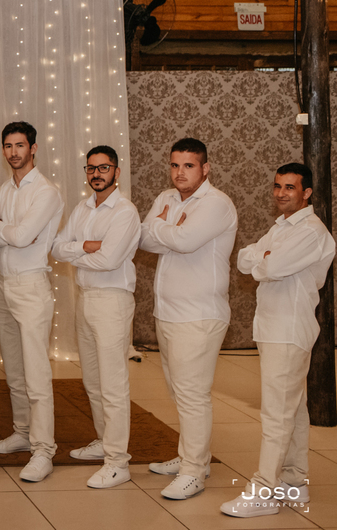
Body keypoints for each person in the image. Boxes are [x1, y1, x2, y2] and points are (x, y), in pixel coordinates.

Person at [220, 163, 334, 518]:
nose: (281, 193)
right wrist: (264, 258)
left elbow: (273, 268)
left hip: (289, 328)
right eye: (277, 186)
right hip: (273, 328)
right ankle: (294, 481)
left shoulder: (311, 231)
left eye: (290, 187)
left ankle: (264, 491)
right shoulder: (281, 227)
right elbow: (244, 259)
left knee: (276, 414)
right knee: (293, 409)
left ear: (307, 192)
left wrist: (265, 260)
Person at [140, 137, 238, 500]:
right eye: (174, 165)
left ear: (205, 168)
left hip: (199, 316)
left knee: (193, 395)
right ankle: (193, 457)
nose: (180, 173)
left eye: (189, 166)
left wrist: (164, 229)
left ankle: (194, 471)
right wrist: (171, 229)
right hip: (167, 312)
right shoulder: (166, 198)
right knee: (178, 391)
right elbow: (144, 239)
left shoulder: (217, 203)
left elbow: (183, 241)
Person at [53, 145, 141, 489]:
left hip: (112, 301)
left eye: (103, 168)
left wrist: (78, 252)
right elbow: (57, 247)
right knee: (92, 380)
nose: (96, 174)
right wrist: (88, 246)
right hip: (85, 298)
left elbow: (109, 260)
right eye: (91, 168)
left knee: (113, 383)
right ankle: (105, 441)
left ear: (116, 172)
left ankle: (118, 462)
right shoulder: (82, 207)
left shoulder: (125, 211)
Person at [0, 120, 64, 483]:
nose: (13, 152)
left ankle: (44, 449)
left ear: (33, 148)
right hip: (3, 283)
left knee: (36, 372)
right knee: (14, 368)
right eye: (8, 146)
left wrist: (2, 227)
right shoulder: (4, 189)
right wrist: (6, 230)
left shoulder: (46, 192)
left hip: (32, 285)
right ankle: (22, 431)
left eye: (20, 145)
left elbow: (21, 236)